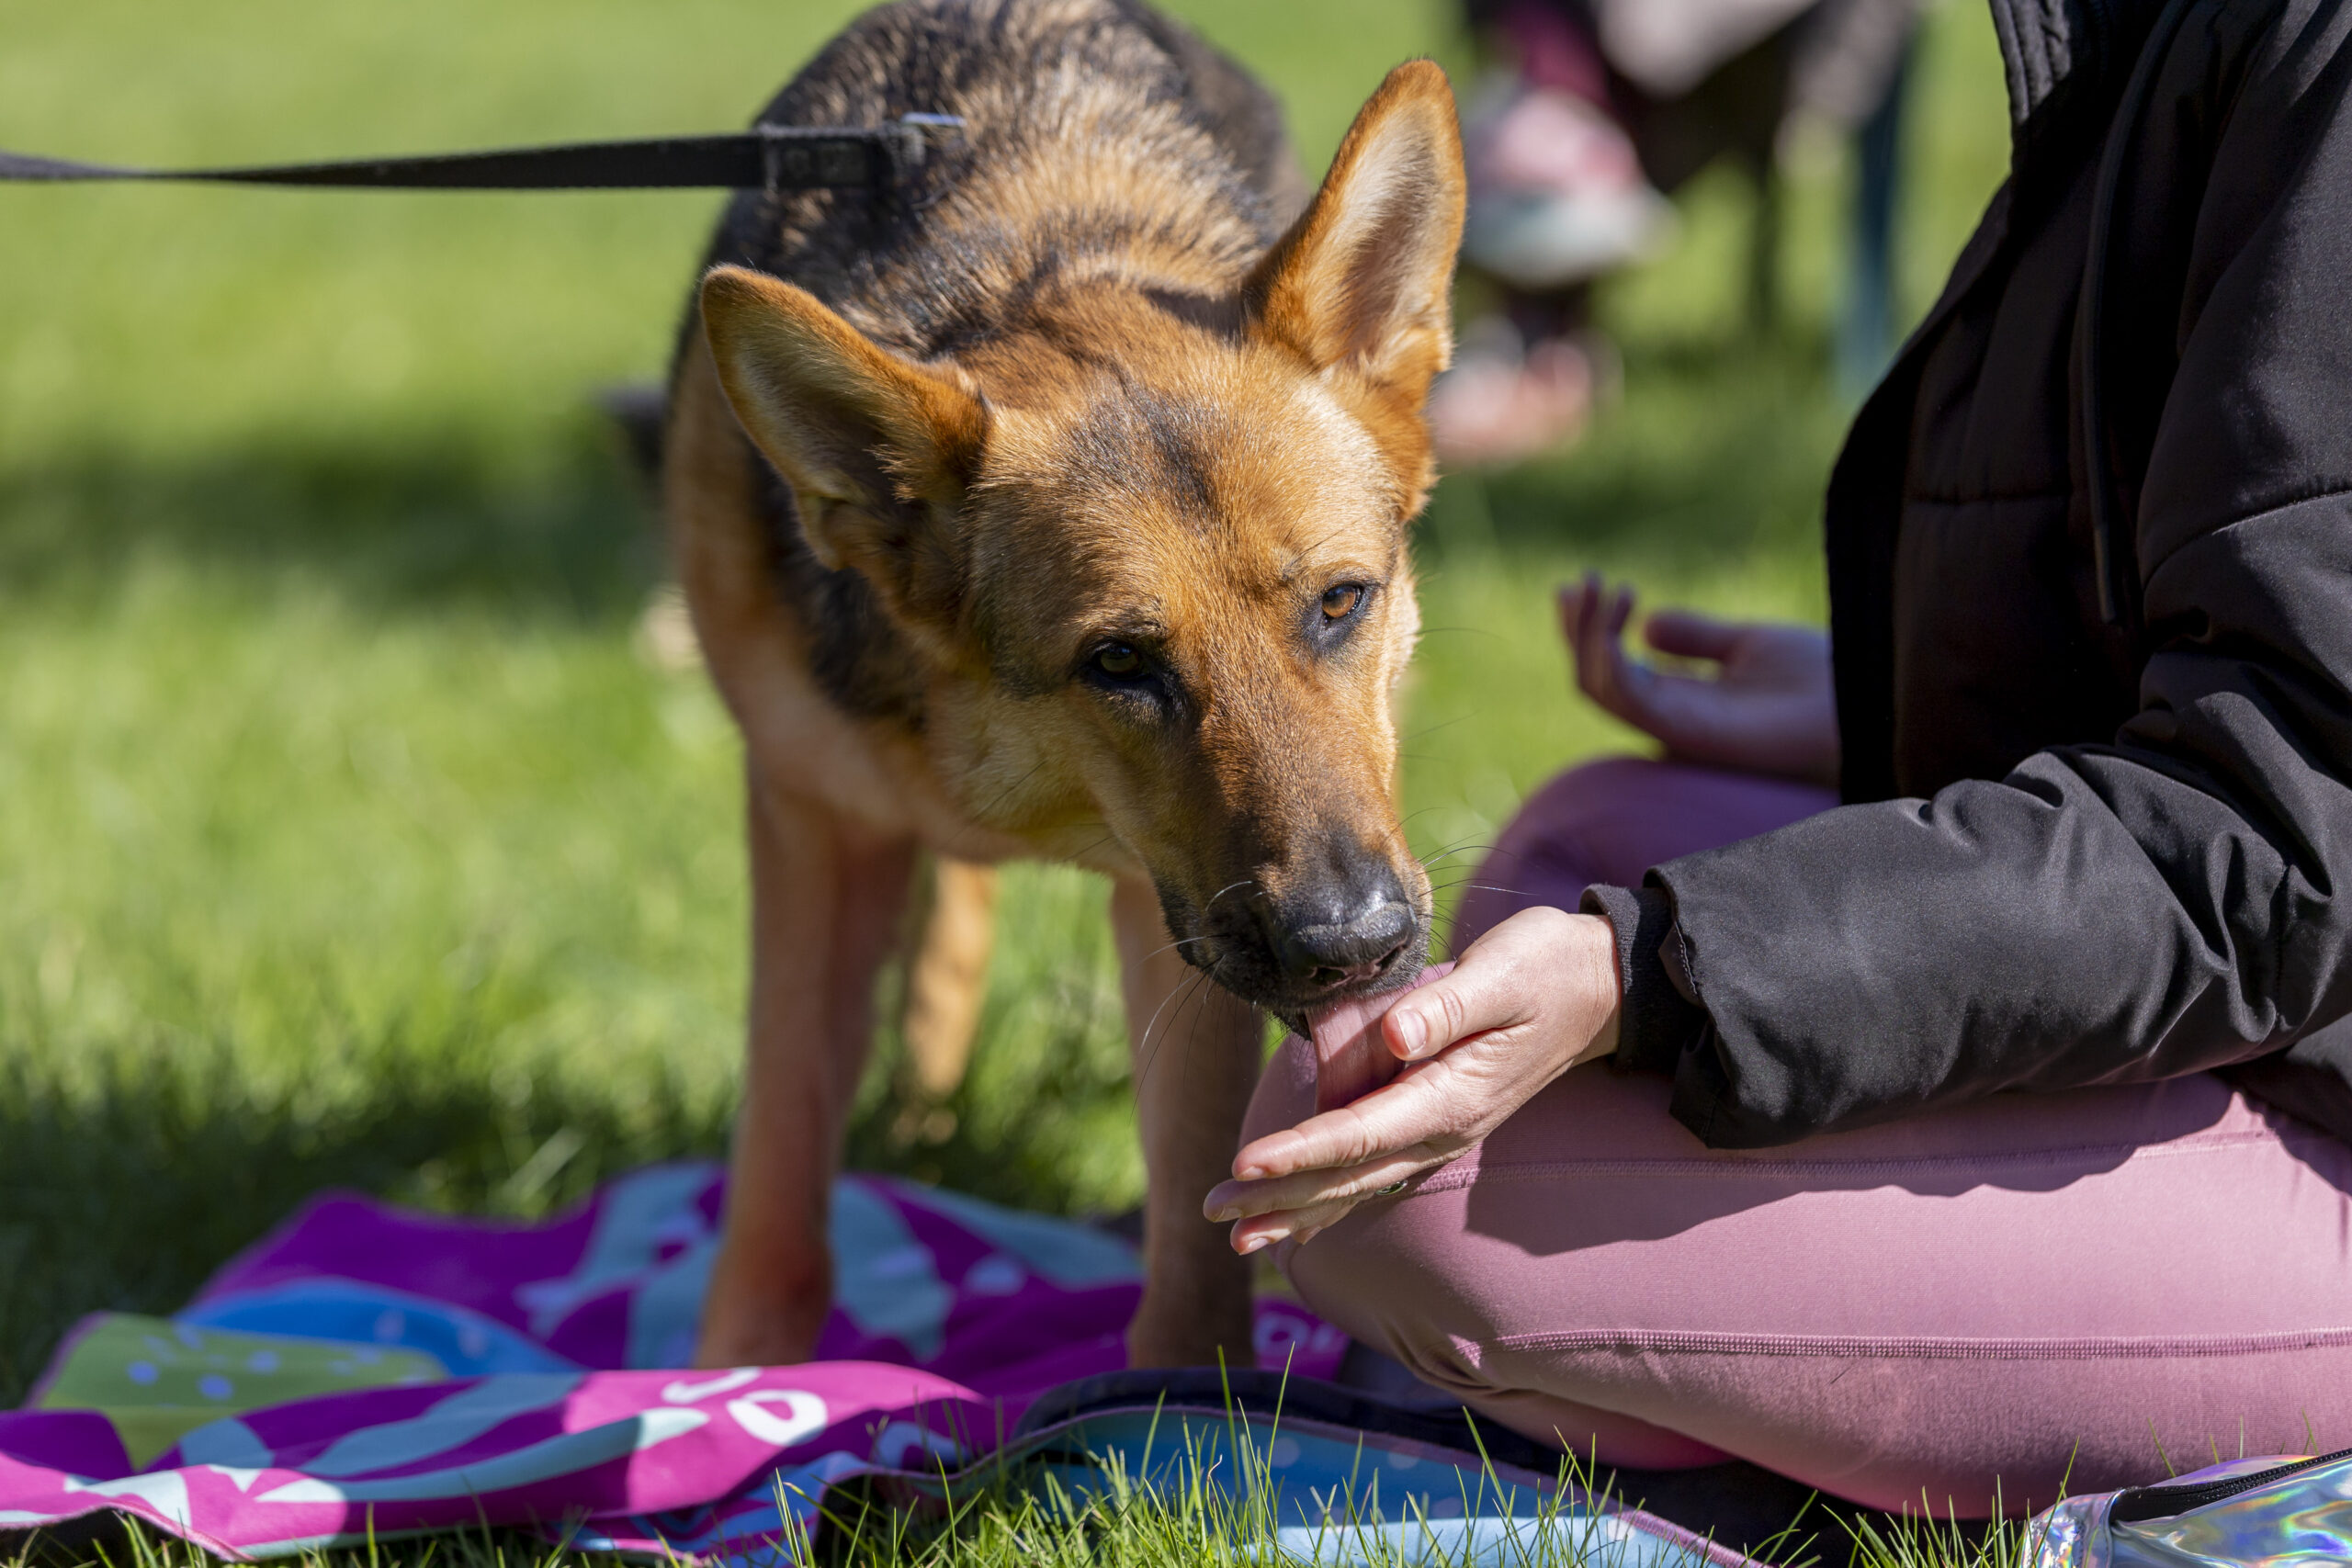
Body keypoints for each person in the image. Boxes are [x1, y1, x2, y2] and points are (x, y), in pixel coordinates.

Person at [1206, 0, 2352, 1518]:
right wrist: (1872, 703)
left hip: (2319, 1112)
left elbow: (2276, 841)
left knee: (1357, 1191)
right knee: (1585, 832)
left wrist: (1659, 968)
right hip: (2256, 982)